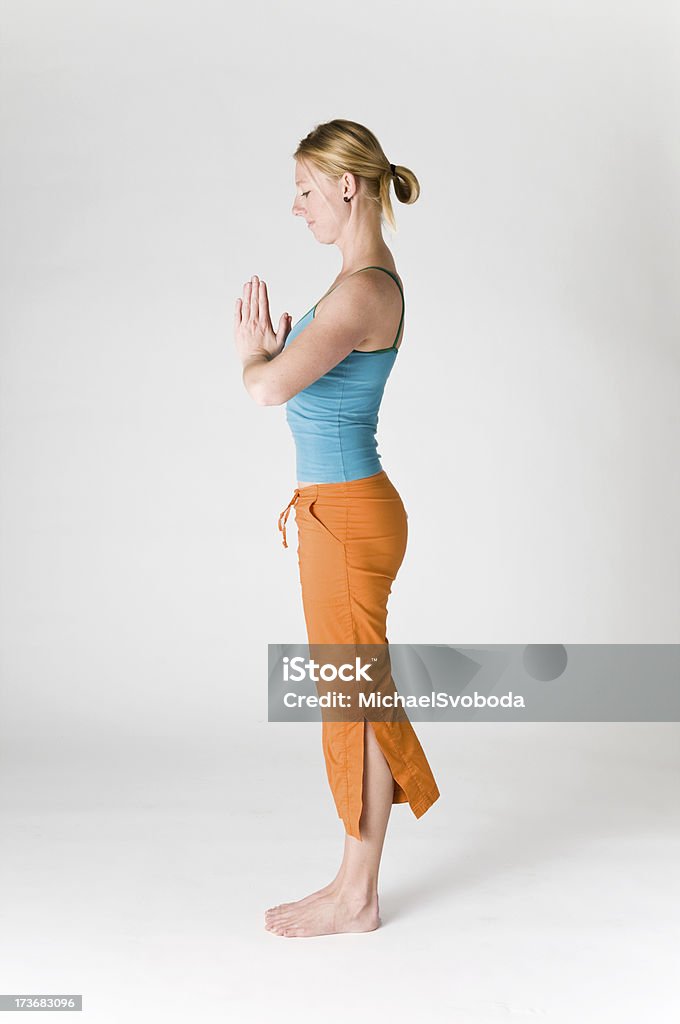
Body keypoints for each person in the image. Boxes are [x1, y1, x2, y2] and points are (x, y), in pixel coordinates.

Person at [234, 119, 440, 937]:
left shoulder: (363, 289)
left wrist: (251, 355)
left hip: (348, 519)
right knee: (356, 694)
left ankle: (356, 894)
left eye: (306, 190)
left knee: (352, 700)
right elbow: (294, 381)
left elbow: (266, 390)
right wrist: (273, 358)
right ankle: (354, 883)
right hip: (338, 514)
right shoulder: (359, 281)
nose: (297, 207)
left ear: (347, 185)